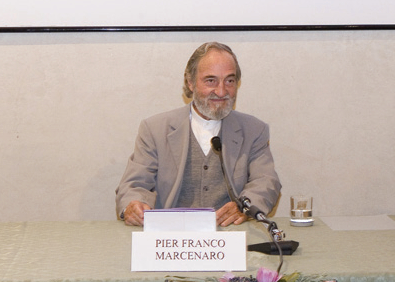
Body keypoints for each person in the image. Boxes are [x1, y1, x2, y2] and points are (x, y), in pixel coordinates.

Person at [116, 42, 281, 227]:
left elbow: (266, 182)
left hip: (231, 234)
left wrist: (243, 207)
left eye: (229, 81)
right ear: (190, 82)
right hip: (171, 235)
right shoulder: (155, 129)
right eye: (211, 81)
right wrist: (134, 206)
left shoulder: (254, 130)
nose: (221, 91)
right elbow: (134, 185)